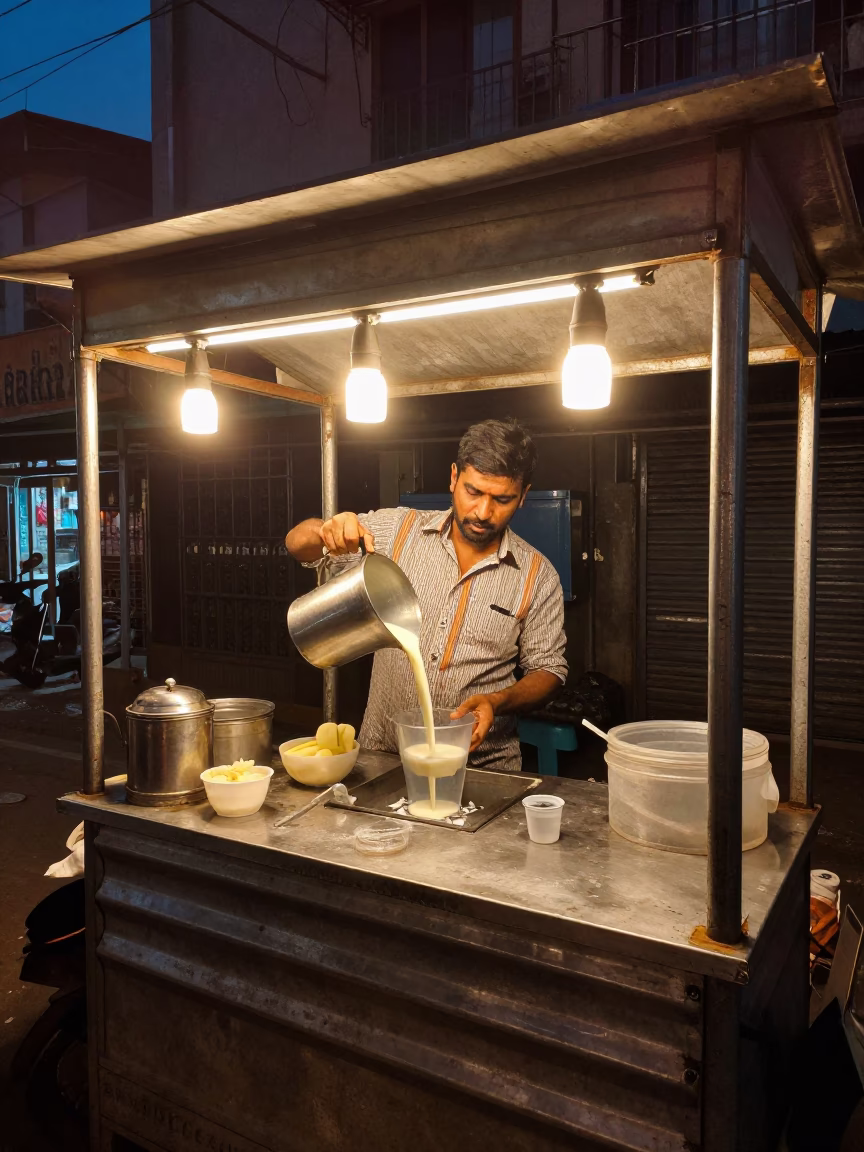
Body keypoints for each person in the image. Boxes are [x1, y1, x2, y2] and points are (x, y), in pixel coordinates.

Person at [285, 418, 567, 771]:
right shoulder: (395, 531)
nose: (483, 512)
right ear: (453, 477)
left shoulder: (538, 576)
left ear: (524, 496)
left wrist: (497, 700)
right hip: (384, 758)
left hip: (482, 766)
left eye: (502, 499)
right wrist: (326, 529)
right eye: (473, 492)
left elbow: (549, 671)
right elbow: (297, 545)